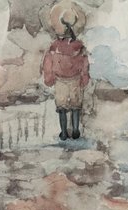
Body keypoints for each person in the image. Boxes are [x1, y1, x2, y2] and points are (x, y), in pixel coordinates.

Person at [42, 2, 90, 140]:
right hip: (73, 80)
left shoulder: (54, 46)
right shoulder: (79, 46)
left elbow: (48, 63)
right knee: (75, 106)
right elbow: (84, 63)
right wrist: (84, 77)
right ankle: (75, 130)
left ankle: (64, 132)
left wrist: (49, 78)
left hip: (61, 81)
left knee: (62, 107)